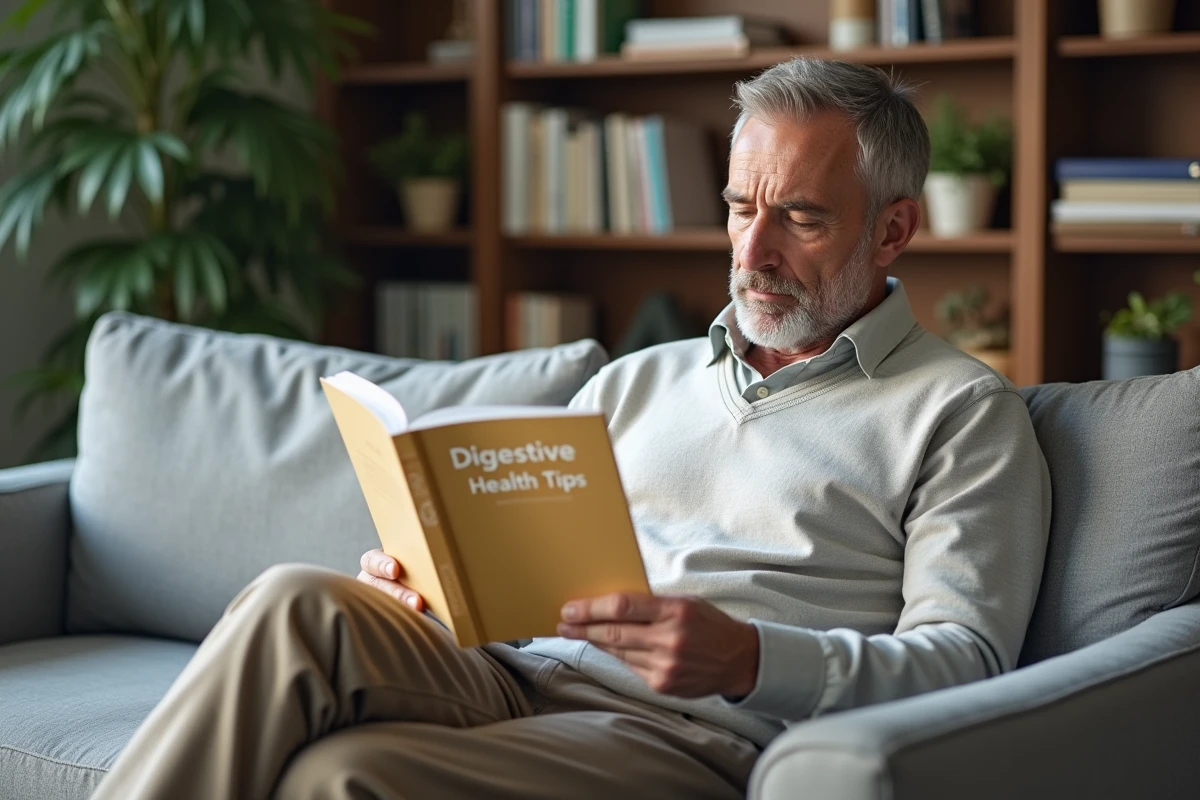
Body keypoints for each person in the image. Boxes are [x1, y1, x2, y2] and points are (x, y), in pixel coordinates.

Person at [93, 57, 1050, 800]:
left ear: (892, 231)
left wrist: (750, 658)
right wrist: (433, 578)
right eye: (738, 208)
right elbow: (521, 568)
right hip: (507, 670)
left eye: (799, 218)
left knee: (339, 781)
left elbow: (966, 665)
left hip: (689, 732)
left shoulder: (962, 413)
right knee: (294, 601)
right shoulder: (637, 380)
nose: (752, 251)